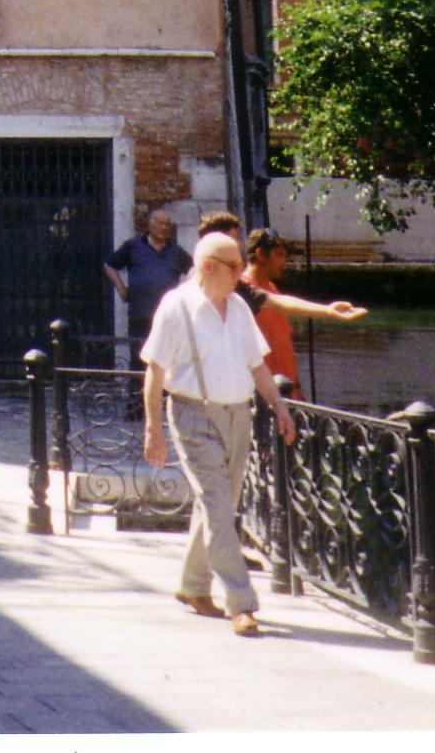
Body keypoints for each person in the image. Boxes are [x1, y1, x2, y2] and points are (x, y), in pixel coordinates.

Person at [141, 231, 295, 637]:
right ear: (208, 267)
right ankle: (241, 603)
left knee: (217, 506)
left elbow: (258, 366)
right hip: (192, 415)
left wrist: (279, 407)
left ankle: (192, 587)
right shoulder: (176, 308)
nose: (243, 272)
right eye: (234, 265)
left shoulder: (241, 308)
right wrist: (154, 428)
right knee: (217, 505)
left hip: (237, 416)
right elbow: (154, 372)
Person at [197, 210, 367, 336]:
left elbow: (280, 302)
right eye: (234, 239)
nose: (239, 245)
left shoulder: (241, 289)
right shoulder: (184, 298)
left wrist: (328, 311)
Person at [104, 207, 191, 358]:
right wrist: (121, 288)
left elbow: (194, 269)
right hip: (141, 316)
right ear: (150, 224)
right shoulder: (133, 246)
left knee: (167, 359)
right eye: (160, 223)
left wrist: (183, 291)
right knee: (140, 361)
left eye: (167, 225)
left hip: (168, 317)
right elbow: (109, 265)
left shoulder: (175, 250)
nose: (163, 228)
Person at [244, 227, 302, 396]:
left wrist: (296, 388)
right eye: (279, 255)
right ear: (260, 254)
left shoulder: (272, 289)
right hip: (261, 395)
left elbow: (284, 343)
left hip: (286, 390)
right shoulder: (243, 294)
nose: (284, 263)